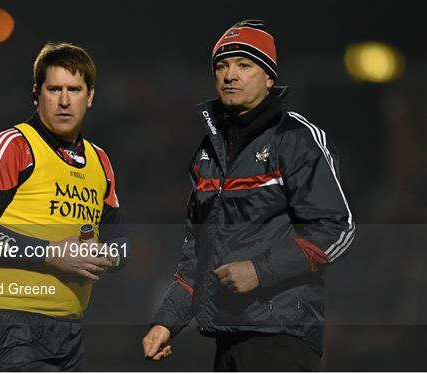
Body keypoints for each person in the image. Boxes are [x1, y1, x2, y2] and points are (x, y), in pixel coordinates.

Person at [142, 20, 354, 371]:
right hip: (226, 334)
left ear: (269, 78)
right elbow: (196, 256)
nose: (230, 75)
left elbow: (337, 229)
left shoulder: (296, 137)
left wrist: (260, 271)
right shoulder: (207, 155)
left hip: (283, 335)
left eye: (244, 65)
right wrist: (167, 320)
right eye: (222, 66)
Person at [0, 42, 129, 371]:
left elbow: (121, 241)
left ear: (90, 96)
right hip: (9, 318)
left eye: (74, 89)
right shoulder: (13, 146)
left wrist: (108, 257)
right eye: (55, 89)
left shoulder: (100, 161)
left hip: (68, 325)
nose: (64, 100)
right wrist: (49, 253)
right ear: (37, 94)